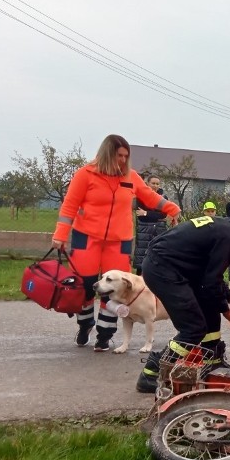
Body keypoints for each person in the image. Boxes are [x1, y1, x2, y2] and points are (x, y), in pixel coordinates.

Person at [51, 135, 180, 351]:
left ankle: (105, 334)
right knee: (85, 286)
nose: (122, 160)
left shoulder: (131, 177)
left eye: (125, 156)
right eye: (119, 155)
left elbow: (149, 196)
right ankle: (85, 325)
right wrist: (60, 234)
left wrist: (171, 208)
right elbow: (69, 206)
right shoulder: (85, 174)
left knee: (113, 289)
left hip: (119, 240)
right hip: (86, 237)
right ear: (107, 153)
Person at [135, 200, 230, 393]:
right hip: (164, 269)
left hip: (171, 266)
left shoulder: (224, 228)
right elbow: (210, 283)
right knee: (193, 328)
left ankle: (212, 362)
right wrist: (226, 310)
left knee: (209, 308)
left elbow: (210, 276)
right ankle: (152, 372)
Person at [133, 175, 171, 275]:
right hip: (143, 231)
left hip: (159, 230)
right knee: (141, 258)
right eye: (153, 183)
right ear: (147, 184)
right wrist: (154, 215)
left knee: (157, 256)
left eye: (157, 183)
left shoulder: (163, 197)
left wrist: (146, 213)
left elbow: (163, 214)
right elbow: (140, 215)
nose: (155, 186)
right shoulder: (141, 196)